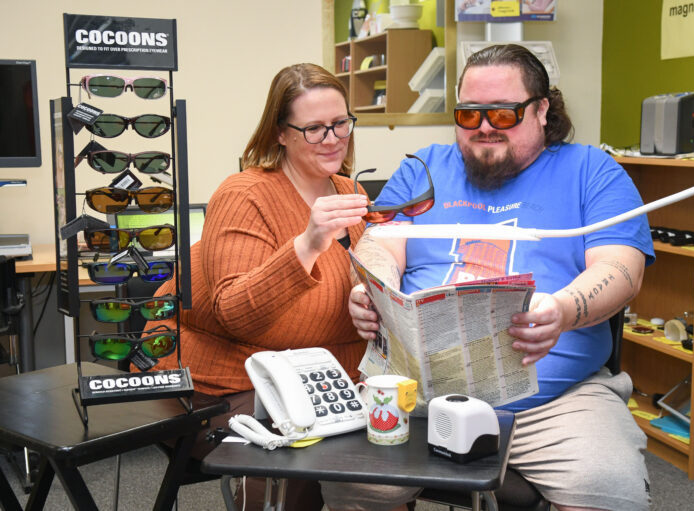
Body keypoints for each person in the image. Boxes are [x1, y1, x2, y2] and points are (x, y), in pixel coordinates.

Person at [348, 44, 655, 511]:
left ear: (542, 109)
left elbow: (621, 270)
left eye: (504, 114)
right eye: (469, 116)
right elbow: (379, 245)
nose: (485, 127)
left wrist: (562, 310)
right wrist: (373, 289)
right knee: (356, 485)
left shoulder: (592, 171)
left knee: (609, 488)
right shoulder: (424, 168)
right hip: (419, 394)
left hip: (554, 402)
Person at [148, 62, 370, 510]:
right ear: (280, 133)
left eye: (341, 123)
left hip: (332, 377)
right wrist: (306, 244)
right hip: (227, 381)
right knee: (306, 449)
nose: (333, 139)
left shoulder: (348, 190)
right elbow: (235, 311)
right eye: (314, 129)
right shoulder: (243, 194)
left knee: (388, 451)